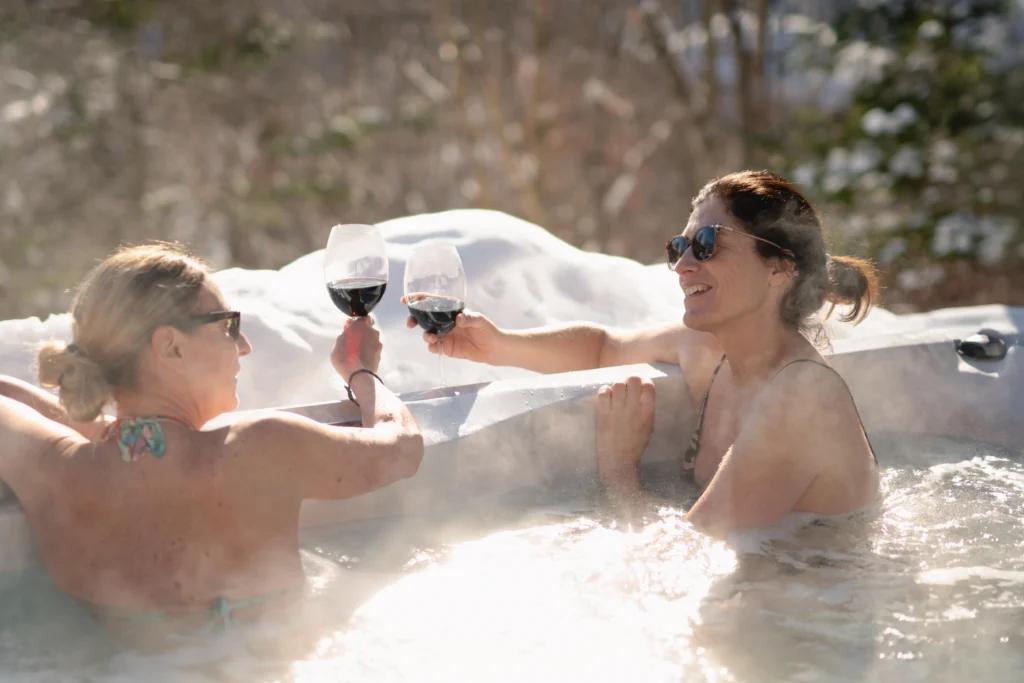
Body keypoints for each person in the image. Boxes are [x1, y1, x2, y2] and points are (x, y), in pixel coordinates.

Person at [409, 170, 880, 534]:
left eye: (707, 243)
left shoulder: (801, 396)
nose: (682, 265)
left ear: (779, 268)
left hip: (814, 615)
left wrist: (618, 472)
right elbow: (602, 349)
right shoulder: (709, 351)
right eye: (679, 247)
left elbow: (691, 556)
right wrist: (496, 345)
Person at [0, 243, 423, 638]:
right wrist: (360, 370)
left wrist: (101, 426)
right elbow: (403, 447)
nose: (244, 346)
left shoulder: (55, 471)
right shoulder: (262, 449)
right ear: (172, 347)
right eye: (228, 325)